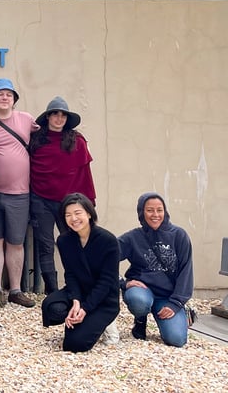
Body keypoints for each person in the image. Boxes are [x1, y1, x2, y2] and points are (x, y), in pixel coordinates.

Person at [29, 96, 96, 294]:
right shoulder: (36, 141)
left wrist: (88, 202)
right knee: (46, 245)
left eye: (63, 115)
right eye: (55, 114)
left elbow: (85, 173)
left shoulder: (77, 141)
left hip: (69, 203)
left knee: (72, 243)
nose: (59, 118)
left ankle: (75, 286)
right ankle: (52, 290)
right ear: (48, 117)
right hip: (41, 199)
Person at [0, 78, 38, 308]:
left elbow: (47, 136)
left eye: (9, 94)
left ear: (14, 99)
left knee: (16, 242)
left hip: (20, 194)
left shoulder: (26, 120)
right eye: (0, 94)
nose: (4, 98)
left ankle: (15, 289)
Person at [41, 193, 119, 353]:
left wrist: (85, 309)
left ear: (89, 213)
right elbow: (70, 274)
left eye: (78, 213)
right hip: (80, 291)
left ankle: (107, 323)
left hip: (104, 297)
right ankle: (80, 318)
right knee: (52, 308)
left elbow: (106, 281)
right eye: (68, 215)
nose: (73, 219)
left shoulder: (108, 241)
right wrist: (76, 302)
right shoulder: (64, 241)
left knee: (75, 345)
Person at [118, 193, 193, 347]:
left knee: (177, 340)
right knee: (139, 301)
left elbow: (186, 271)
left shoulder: (179, 235)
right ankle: (140, 320)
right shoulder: (133, 237)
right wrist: (123, 283)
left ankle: (183, 313)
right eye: (150, 210)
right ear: (141, 212)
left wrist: (176, 303)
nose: (155, 215)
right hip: (142, 291)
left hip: (168, 296)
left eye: (159, 210)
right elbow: (105, 258)